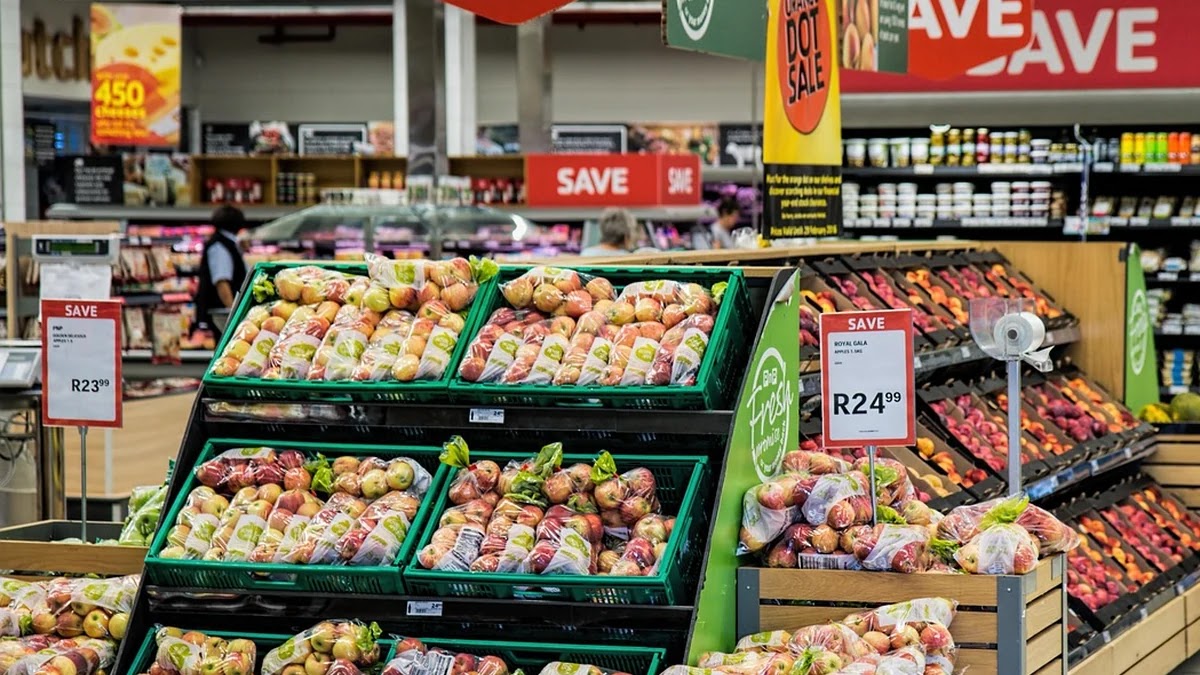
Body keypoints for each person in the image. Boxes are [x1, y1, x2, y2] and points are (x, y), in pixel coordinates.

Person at [196, 205, 249, 335]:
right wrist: (234, 313)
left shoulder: (228, 243)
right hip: (220, 316)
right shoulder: (219, 245)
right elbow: (222, 282)